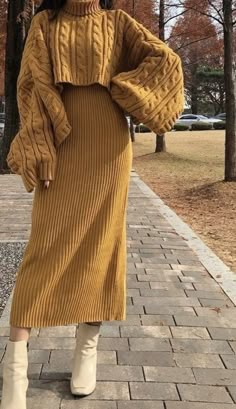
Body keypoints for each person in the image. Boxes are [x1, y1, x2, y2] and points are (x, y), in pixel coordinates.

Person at [0, 0, 184, 407]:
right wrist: (40, 148)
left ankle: (87, 350)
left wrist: (125, 89)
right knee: (44, 249)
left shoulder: (118, 22)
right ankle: (14, 364)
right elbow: (30, 90)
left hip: (109, 146)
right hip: (62, 143)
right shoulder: (45, 23)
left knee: (103, 245)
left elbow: (166, 60)